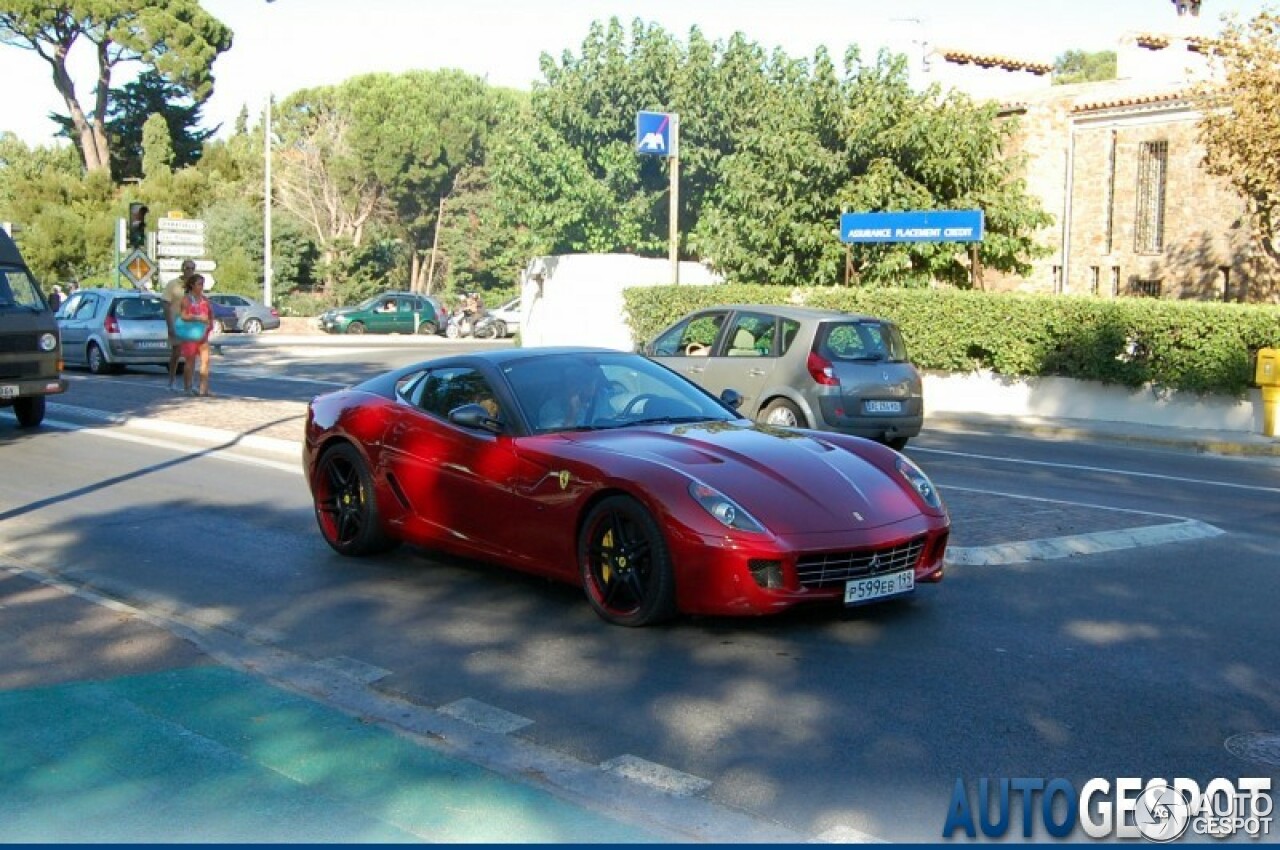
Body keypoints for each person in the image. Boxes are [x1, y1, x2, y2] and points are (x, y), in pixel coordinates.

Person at [162, 260, 197, 390]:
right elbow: (166, 304)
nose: (189, 270)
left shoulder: (195, 285)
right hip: (176, 322)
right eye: (187, 268)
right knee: (176, 352)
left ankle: (189, 384)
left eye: (192, 268)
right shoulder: (173, 284)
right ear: (182, 268)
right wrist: (170, 325)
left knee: (191, 353)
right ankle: (171, 381)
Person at [178, 273, 214, 396]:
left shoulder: (205, 299)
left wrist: (210, 323)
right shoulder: (187, 299)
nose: (201, 286)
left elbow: (210, 312)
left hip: (202, 334)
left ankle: (203, 388)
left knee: (206, 360)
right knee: (190, 361)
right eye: (199, 284)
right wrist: (198, 318)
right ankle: (187, 387)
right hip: (190, 333)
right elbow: (183, 316)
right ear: (192, 285)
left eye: (202, 284)